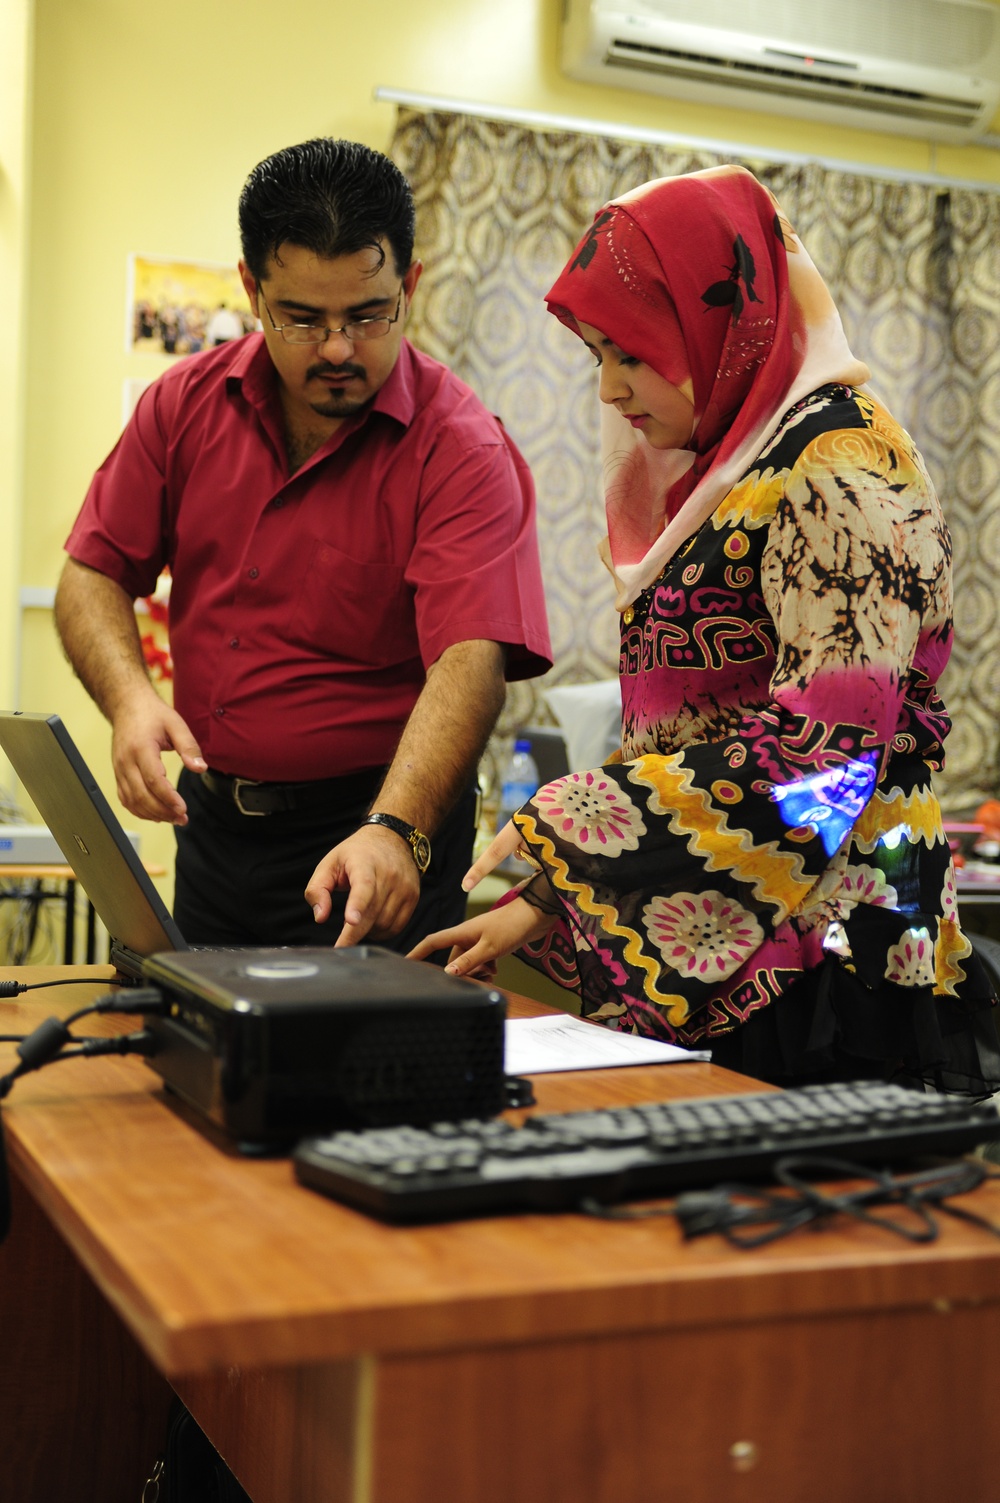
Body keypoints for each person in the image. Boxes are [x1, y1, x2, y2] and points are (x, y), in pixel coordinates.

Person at [411, 165, 1000, 1096]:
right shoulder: (738, 462)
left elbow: (825, 764)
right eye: (597, 354)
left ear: (721, 324)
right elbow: (706, 727)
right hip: (746, 942)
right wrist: (550, 901)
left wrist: (574, 826)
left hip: (829, 967)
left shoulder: (836, 470)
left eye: (633, 353)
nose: (609, 389)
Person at [55, 138, 551, 952]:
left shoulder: (460, 447)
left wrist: (395, 827)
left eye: (367, 315)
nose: (337, 349)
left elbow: (470, 662)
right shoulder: (182, 404)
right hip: (213, 827)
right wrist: (130, 700)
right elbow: (91, 573)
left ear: (410, 285)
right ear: (252, 289)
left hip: (371, 837)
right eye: (302, 317)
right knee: (198, 1061)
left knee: (356, 1073)